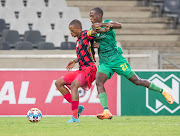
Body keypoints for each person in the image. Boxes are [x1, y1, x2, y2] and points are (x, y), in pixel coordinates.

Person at [89, 7, 174, 120]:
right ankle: (106, 111)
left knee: (137, 81)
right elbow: (91, 41)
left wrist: (101, 25)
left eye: (92, 15)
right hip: (105, 62)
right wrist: (94, 46)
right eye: (90, 16)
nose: (90, 18)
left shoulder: (107, 23)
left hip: (117, 60)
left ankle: (163, 91)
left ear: (99, 15)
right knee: (99, 82)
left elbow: (119, 25)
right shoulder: (92, 29)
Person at [55, 19, 97, 123]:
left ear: (79, 29)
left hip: (90, 69)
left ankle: (75, 118)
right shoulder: (78, 40)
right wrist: (74, 60)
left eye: (72, 31)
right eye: (70, 31)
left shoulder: (85, 34)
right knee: (58, 83)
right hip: (81, 69)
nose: (71, 33)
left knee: (74, 85)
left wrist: (97, 27)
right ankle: (77, 108)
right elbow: (84, 56)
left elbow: (93, 32)